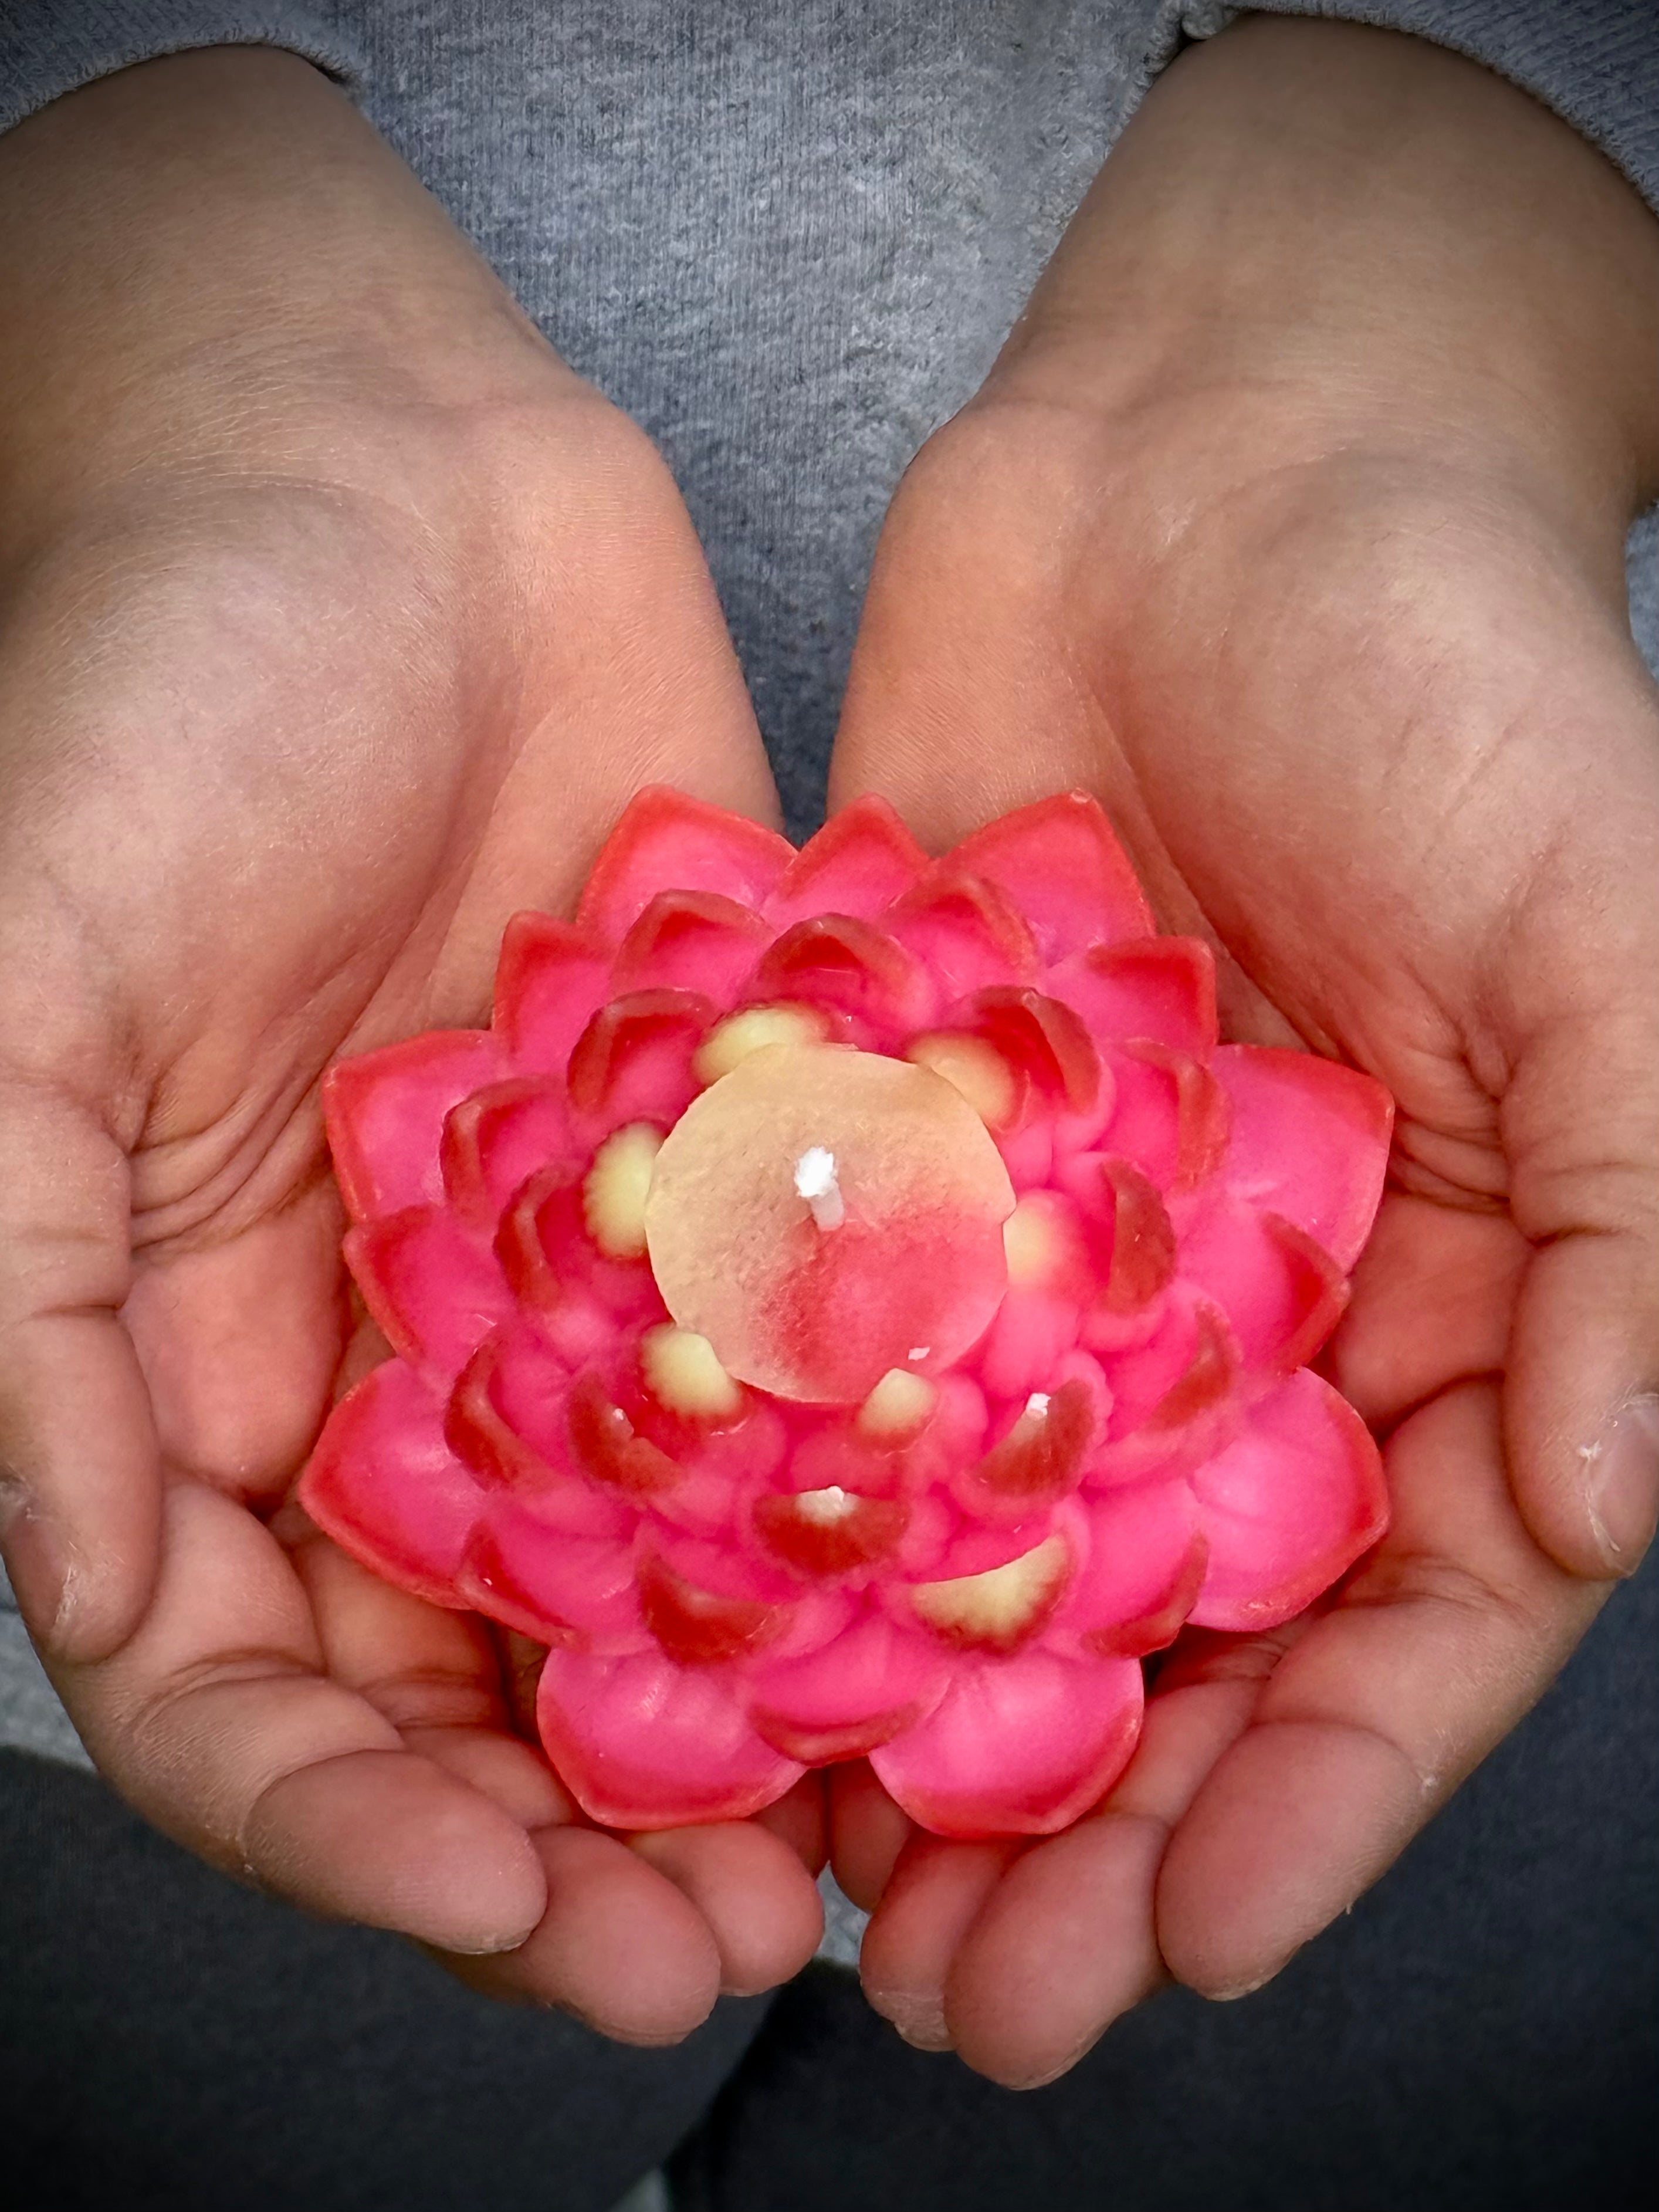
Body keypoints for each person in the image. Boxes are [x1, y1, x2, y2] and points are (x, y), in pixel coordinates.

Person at [0, 4, 1655, 2206]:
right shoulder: (464, 1307)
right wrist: (135, 310)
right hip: (207, 1410)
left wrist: (1440, 236)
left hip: (1420, 1250)